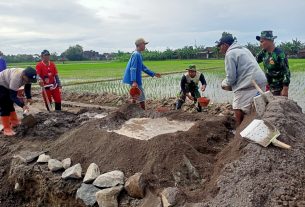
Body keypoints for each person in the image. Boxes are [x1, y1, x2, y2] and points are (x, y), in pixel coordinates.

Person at [216, 33, 267, 126]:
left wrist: (223, 83)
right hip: (261, 82)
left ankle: (239, 130)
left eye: (220, 46)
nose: (220, 49)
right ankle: (253, 124)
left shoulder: (230, 54)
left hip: (250, 83)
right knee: (257, 108)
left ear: (225, 45)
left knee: (237, 106)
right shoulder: (244, 49)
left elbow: (231, 79)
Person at [123, 38, 161, 110]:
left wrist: (154, 74)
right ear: (140, 45)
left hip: (136, 79)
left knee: (135, 95)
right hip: (135, 80)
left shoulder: (138, 54)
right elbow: (133, 68)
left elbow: (143, 67)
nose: (145, 46)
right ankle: (144, 113)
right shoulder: (136, 54)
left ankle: (130, 110)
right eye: (144, 44)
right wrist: (134, 81)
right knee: (141, 97)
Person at [0, 67, 37, 136]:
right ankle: (6, 129)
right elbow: (13, 96)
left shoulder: (28, 77)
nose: (30, 81)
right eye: (29, 80)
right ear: (24, 75)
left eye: (31, 80)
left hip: (8, 84)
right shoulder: (16, 78)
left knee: (10, 103)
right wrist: (22, 105)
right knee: (5, 105)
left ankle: (14, 121)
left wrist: (29, 97)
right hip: (1, 84)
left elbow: (27, 87)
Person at [256, 31, 291, 96]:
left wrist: (285, 89)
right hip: (268, 87)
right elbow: (254, 62)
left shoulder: (279, 54)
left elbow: (286, 72)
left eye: (262, 42)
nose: (260, 44)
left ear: (270, 41)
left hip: (279, 89)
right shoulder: (263, 53)